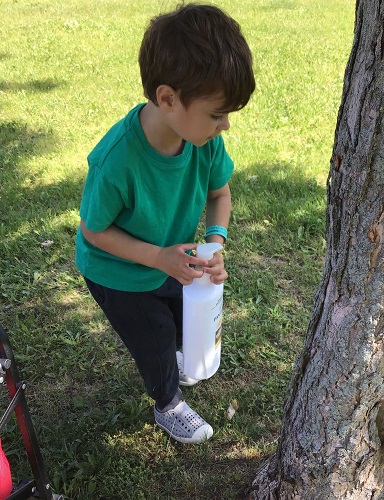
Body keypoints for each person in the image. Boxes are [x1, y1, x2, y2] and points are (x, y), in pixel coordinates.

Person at [75, 3, 255, 444]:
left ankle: (175, 362)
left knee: (179, 320)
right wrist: (157, 257)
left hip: (171, 258)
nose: (225, 125)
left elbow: (219, 194)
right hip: (118, 272)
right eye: (217, 114)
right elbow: (93, 230)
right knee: (155, 340)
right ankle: (167, 404)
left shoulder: (204, 142)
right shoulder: (116, 160)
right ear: (168, 99)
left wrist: (214, 244)